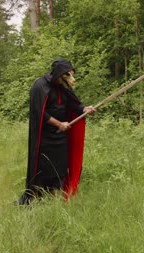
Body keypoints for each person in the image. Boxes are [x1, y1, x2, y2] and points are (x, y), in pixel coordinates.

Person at [17, 58, 95, 205]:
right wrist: (59, 124)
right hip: (44, 137)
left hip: (61, 137)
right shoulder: (40, 86)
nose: (71, 79)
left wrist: (84, 109)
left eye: (71, 74)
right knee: (43, 168)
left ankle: (51, 197)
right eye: (67, 75)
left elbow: (73, 105)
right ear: (58, 74)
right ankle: (35, 198)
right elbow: (39, 112)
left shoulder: (63, 87)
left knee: (59, 167)